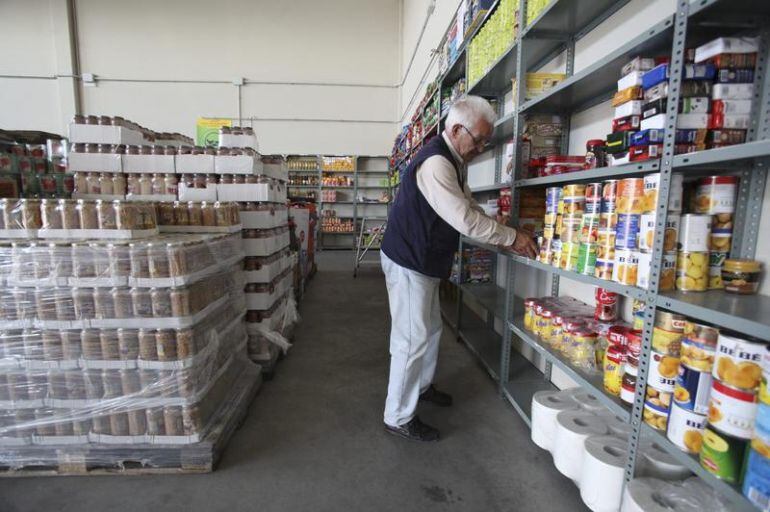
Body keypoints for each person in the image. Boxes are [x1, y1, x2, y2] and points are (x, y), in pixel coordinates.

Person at [380, 95, 538, 442]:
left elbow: (466, 205)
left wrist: (496, 228)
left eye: (486, 141)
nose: (482, 147)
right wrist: (509, 237)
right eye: (479, 139)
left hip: (424, 260)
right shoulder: (437, 163)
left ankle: (419, 388)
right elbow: (464, 219)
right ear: (455, 129)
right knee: (411, 338)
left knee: (430, 330)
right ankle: (398, 415)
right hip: (410, 260)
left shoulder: (450, 159)